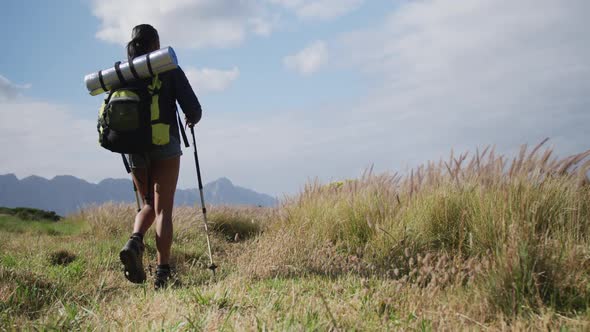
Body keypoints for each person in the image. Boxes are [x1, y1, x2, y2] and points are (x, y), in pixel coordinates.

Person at [118, 24, 202, 289]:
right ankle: (162, 273)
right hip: (165, 143)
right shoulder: (169, 67)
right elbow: (194, 108)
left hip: (134, 147)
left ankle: (134, 241)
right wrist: (192, 118)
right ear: (155, 43)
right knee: (163, 209)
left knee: (147, 205)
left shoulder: (122, 73)